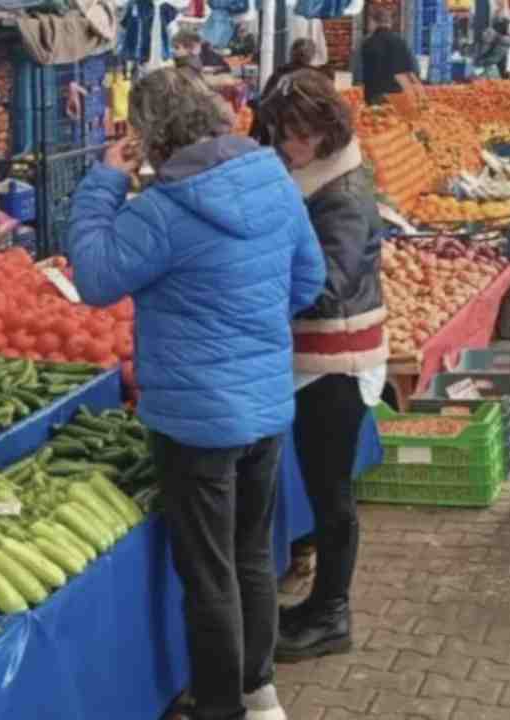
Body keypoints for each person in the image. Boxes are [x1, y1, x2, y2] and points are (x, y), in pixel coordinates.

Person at [67, 67, 325, 720]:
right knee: (250, 557)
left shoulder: (162, 211)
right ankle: (259, 690)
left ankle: (219, 706)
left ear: (151, 137)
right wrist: (256, 331)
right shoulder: (272, 179)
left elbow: (94, 278)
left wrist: (103, 180)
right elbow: (309, 278)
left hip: (194, 418)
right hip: (265, 406)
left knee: (208, 573)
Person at [255, 68, 387, 663]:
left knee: (331, 493)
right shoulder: (312, 175)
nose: (291, 144)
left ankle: (333, 613)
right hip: (314, 356)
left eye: (304, 133)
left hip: (338, 358)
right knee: (321, 484)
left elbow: (327, 284)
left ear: (330, 130)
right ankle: (319, 604)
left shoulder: (344, 193)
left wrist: (250, 281)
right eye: (285, 131)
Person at [249, 39, 319, 143]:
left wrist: (252, 137)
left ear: (291, 54)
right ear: (312, 56)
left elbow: (265, 105)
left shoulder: (280, 74)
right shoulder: (319, 77)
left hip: (278, 132)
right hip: (308, 135)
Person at [359, 7, 420, 104]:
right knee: (394, 118)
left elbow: (359, 71)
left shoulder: (368, 43)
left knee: (377, 117)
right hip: (398, 92)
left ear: (373, 22)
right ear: (390, 22)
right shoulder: (401, 42)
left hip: (375, 93)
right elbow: (414, 67)